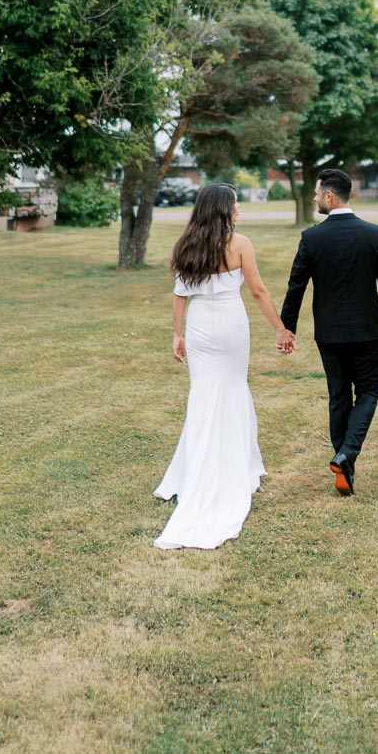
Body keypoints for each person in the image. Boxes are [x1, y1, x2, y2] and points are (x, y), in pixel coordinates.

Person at [154, 182, 294, 550]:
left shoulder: (187, 244)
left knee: (203, 395)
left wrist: (177, 334)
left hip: (200, 327)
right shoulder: (240, 244)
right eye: (235, 204)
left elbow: (181, 293)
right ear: (223, 209)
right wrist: (280, 328)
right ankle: (235, 469)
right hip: (231, 326)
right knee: (233, 389)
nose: (239, 209)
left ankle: (197, 471)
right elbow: (259, 291)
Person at [279, 168, 378, 495]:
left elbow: (296, 286)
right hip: (366, 331)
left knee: (338, 394)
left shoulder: (312, 238)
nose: (315, 198)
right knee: (370, 389)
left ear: (330, 197)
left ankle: (343, 462)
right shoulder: (374, 234)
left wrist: (287, 327)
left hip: (330, 333)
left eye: (318, 193)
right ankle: (347, 454)